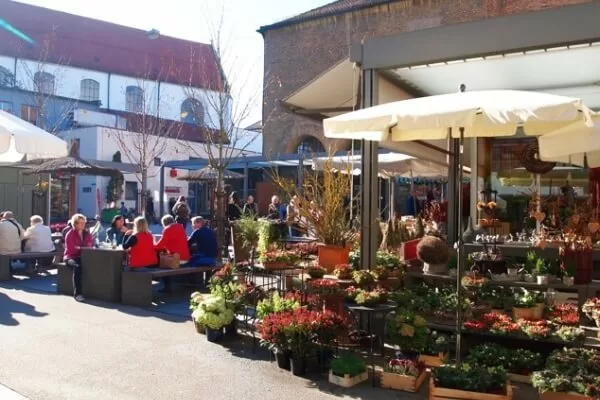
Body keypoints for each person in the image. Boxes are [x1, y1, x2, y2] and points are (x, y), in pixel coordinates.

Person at [155, 215, 190, 293]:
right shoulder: (180, 227)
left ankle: (167, 287)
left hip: (177, 259)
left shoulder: (168, 229)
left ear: (164, 223)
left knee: (162, 264)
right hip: (186, 258)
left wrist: (153, 242)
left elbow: (158, 246)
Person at [63, 214, 93, 302]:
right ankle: (77, 294)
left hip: (84, 256)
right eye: (80, 223)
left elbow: (90, 244)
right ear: (75, 224)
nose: (83, 225)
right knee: (77, 267)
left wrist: (80, 248)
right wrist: (83, 248)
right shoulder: (70, 234)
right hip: (70, 257)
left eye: (84, 223)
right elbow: (72, 249)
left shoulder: (86, 233)